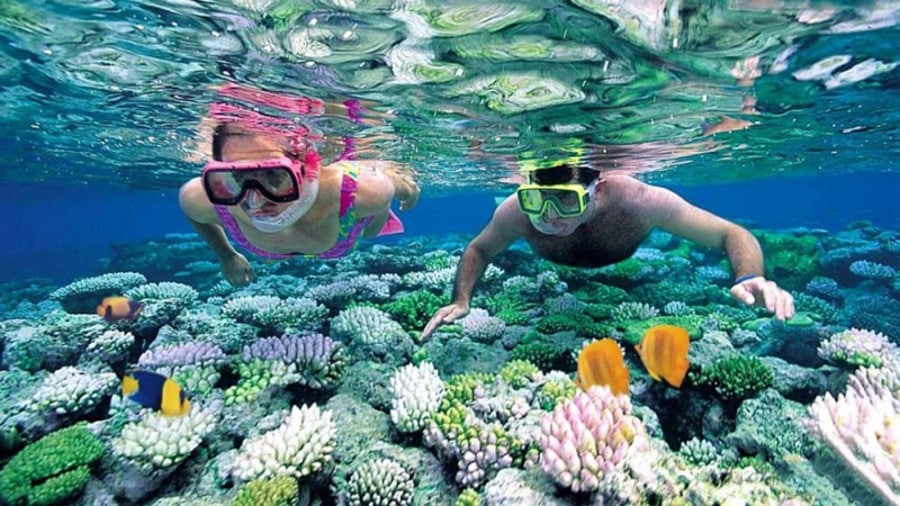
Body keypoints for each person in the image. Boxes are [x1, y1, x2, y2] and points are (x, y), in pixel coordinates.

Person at [421, 164, 794, 340]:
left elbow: (732, 232)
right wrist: (461, 299)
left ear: (595, 192)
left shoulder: (639, 202)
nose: (549, 217)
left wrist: (749, 276)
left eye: (566, 201)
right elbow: (480, 248)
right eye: (536, 201)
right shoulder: (516, 213)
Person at [179, 84, 419, 287]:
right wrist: (226, 255)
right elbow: (196, 216)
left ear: (306, 168)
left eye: (273, 175)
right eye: (235, 177)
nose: (256, 201)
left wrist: (409, 190)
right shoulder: (202, 197)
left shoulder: (364, 192)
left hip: (352, 219)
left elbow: (399, 186)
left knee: (373, 219)